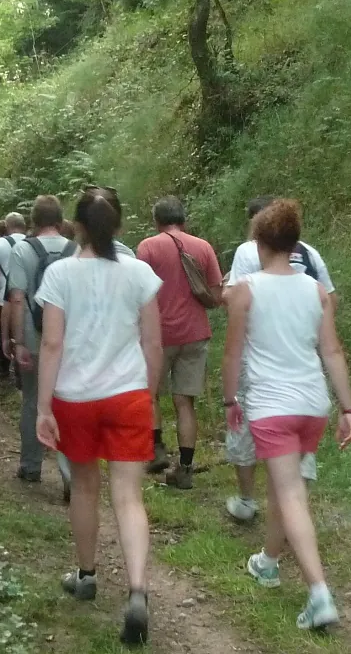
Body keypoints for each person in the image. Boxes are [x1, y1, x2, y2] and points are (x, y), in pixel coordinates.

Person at [34, 187, 162, 645]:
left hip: (76, 396)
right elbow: (152, 344)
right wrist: (149, 396)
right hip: (128, 393)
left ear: (78, 228)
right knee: (129, 496)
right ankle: (138, 591)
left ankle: (86, 576)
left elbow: (51, 344)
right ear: (121, 228)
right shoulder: (140, 274)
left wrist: (44, 406)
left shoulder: (60, 274)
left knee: (85, 487)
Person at [221, 199, 351, 630]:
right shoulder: (315, 291)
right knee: (285, 487)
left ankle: (319, 594)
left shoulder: (246, 291)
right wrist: (348, 407)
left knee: (291, 494)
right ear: (296, 245)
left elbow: (233, 352)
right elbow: (331, 350)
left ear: (259, 243)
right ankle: (268, 562)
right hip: (312, 405)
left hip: (272, 407)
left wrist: (229, 400)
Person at [223, 196, 338, 522]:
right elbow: (329, 299)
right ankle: (294, 505)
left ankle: (248, 501)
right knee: (300, 427)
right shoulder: (310, 252)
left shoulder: (248, 251)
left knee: (243, 423)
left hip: (257, 358)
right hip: (303, 357)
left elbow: (233, 299)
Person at [137, 197, 223, 488]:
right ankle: (185, 468)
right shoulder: (203, 247)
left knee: (150, 394)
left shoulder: (148, 247)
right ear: (183, 219)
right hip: (195, 333)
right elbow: (216, 293)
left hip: (159, 335)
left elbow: (139, 292)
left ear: (157, 221)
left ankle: (156, 450)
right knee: (185, 401)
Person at [6, 196, 77, 499]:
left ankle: (31, 465)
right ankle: (69, 475)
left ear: (32, 222)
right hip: (71, 341)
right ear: (61, 222)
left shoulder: (22, 249)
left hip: (36, 339)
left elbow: (18, 298)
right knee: (69, 406)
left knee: (33, 401)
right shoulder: (75, 250)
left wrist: (19, 341)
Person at [0, 212, 28, 380]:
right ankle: (21, 369)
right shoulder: (31, 242)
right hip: (26, 297)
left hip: (5, 296)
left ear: (7, 226)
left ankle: (3, 364)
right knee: (21, 331)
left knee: (6, 331)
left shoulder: (1, 243)